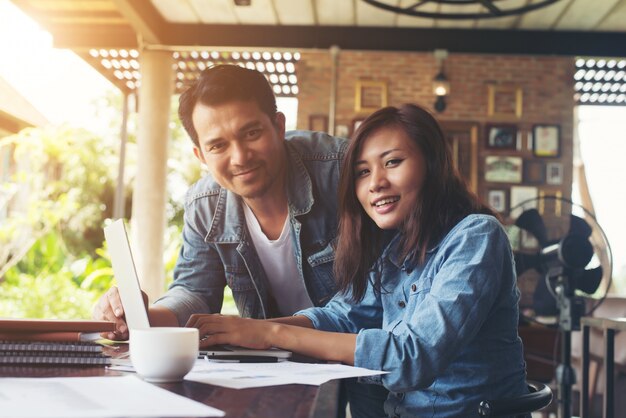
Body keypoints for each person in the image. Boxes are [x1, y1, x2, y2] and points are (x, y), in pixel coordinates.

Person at [188, 103, 529, 417]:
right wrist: (252, 330)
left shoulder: (477, 236)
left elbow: (412, 357)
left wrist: (272, 333)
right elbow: (342, 315)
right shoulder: (395, 251)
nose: (376, 183)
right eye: (363, 172)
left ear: (432, 163)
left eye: (393, 162)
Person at [92, 64, 388, 417]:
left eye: (251, 133)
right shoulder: (204, 204)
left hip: (367, 351)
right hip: (277, 363)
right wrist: (143, 315)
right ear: (201, 155)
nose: (240, 157)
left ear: (278, 126)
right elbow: (195, 291)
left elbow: (372, 299)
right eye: (218, 145)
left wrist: (266, 331)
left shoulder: (340, 171)